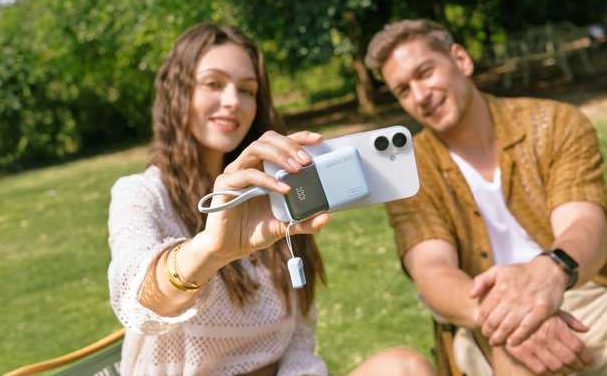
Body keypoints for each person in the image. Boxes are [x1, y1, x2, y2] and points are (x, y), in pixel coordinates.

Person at [107, 22, 436, 375]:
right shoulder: (141, 193)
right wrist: (210, 251)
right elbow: (136, 299)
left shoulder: (274, 191)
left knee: (406, 367)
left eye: (247, 90)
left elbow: (297, 338)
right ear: (177, 91)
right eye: (213, 83)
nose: (233, 101)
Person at [364, 18, 607, 376]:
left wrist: (551, 273)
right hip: (479, 312)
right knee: (516, 348)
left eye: (426, 72)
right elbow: (432, 271)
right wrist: (509, 316)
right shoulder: (407, 170)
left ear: (460, 59)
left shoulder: (555, 122)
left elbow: (584, 224)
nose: (420, 95)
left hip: (577, 289)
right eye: (403, 90)